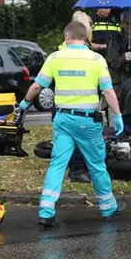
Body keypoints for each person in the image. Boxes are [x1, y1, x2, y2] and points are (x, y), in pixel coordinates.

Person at [16, 21, 128, 226]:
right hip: (87, 122)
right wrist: (118, 115)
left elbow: (37, 86)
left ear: (67, 37)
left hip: (63, 120)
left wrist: (24, 104)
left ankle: (46, 210)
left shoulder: (55, 58)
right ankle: (108, 208)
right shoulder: (96, 59)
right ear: (85, 38)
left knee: (58, 164)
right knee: (96, 165)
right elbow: (108, 91)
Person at [53, 10, 94, 183]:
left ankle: (76, 168)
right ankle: (77, 171)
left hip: (64, 102)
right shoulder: (84, 51)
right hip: (77, 103)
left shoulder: (61, 49)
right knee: (79, 138)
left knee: (69, 139)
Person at [107, 10, 131, 106]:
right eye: (127, 23)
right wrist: (123, 58)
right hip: (121, 85)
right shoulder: (115, 42)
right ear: (122, 24)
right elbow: (112, 63)